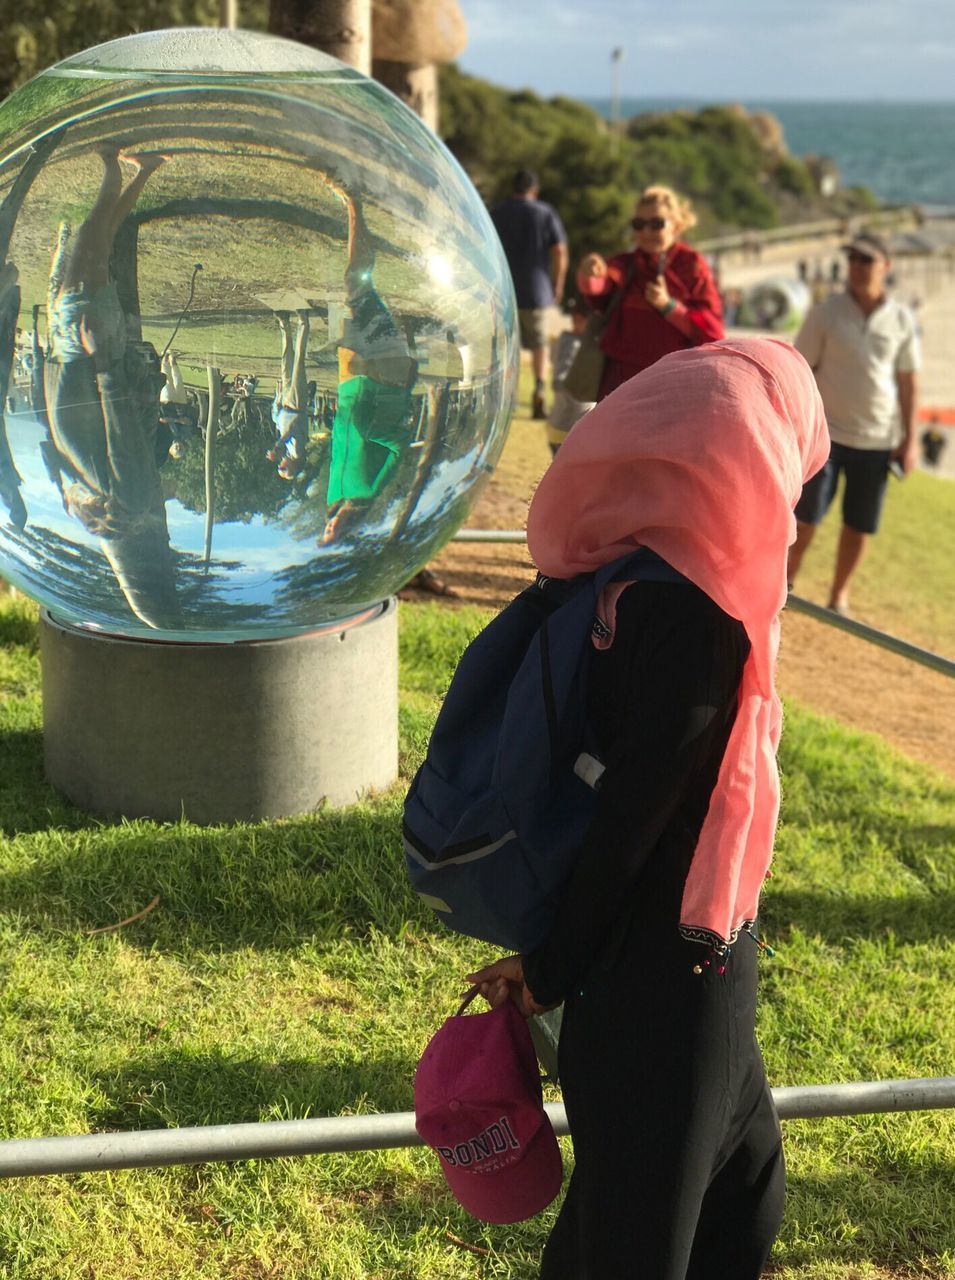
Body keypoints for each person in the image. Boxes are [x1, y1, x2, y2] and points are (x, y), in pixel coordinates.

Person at [466, 337, 830, 1280]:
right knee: (641, 1248)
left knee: (740, 1201)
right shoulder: (700, 618)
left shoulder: (630, 581)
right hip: (665, 994)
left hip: (672, 980)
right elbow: (631, 820)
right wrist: (550, 971)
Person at [787, 231, 920, 617]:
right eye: (853, 260)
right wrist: (797, 425)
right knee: (806, 519)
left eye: (867, 260)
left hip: (879, 439)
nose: (857, 267)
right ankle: (785, 584)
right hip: (826, 435)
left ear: (886, 266)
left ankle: (838, 596)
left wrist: (910, 441)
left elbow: (909, 380)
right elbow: (801, 369)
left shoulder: (901, 319)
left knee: (860, 526)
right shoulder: (825, 312)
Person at [576, 184, 723, 401]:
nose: (646, 232)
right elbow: (601, 286)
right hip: (622, 384)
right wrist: (590, 273)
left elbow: (713, 330)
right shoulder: (627, 264)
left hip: (675, 385)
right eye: (639, 224)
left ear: (677, 225)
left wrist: (669, 306)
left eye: (656, 224)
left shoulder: (692, 266)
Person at [490, 170, 568, 419]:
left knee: (505, 346)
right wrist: (557, 283)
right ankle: (539, 388)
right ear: (534, 190)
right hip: (538, 290)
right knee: (539, 345)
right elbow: (559, 250)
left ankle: (506, 398)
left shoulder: (497, 213)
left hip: (504, 291)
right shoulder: (545, 213)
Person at [545, 305, 595, 455]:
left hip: (567, 427)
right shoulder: (572, 344)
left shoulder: (577, 342)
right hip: (566, 428)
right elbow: (560, 381)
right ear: (578, 319)